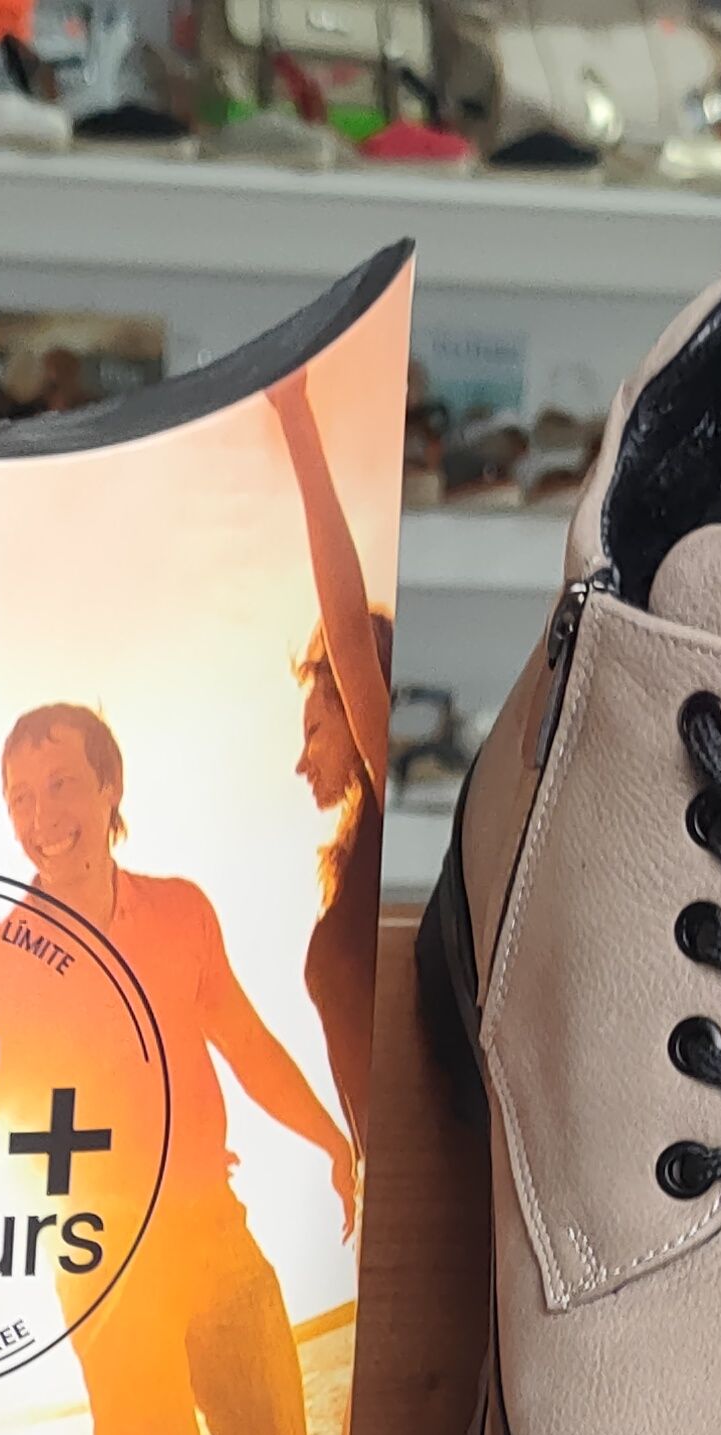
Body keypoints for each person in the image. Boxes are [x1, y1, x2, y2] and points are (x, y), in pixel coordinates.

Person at [0, 702, 357, 1435]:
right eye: (20, 797)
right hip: (107, 1259)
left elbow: (246, 1043)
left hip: (216, 1230)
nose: (42, 815)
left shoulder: (181, 913)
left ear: (110, 787)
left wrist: (330, 1138)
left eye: (61, 784)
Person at [271, 366, 391, 1139]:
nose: (301, 759)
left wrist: (293, 412)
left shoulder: (384, 800)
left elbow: (346, 625)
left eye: (315, 729)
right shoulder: (355, 857)